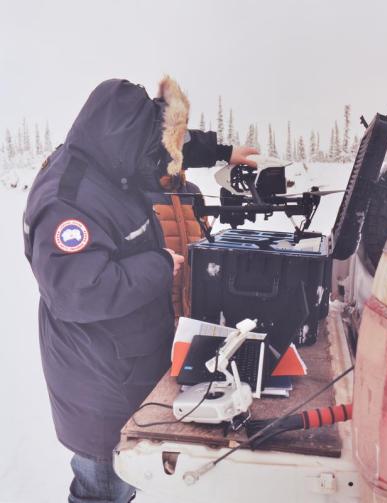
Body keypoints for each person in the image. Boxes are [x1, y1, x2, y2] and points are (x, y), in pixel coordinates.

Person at [23, 76, 258, 502]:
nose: (159, 159)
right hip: (97, 383)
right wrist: (159, 264)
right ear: (126, 142)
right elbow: (80, 292)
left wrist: (223, 153)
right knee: (103, 487)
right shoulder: (69, 198)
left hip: (126, 366)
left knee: (124, 480)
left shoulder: (113, 161)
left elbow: (165, 148)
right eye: (149, 147)